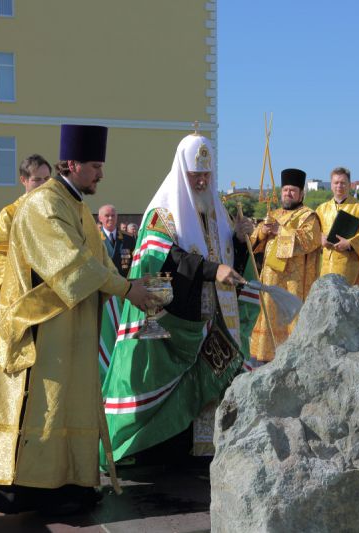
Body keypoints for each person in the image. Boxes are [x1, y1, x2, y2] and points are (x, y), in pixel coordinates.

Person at [0, 124, 155, 516]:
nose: (101, 174)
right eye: (95, 166)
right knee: (44, 404)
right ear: (72, 164)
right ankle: (31, 490)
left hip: (72, 324)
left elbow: (100, 262)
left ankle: (70, 481)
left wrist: (131, 285)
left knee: (69, 402)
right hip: (42, 326)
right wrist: (126, 290)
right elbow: (71, 265)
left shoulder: (75, 206)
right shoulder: (44, 204)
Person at [102, 132, 257, 463]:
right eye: (195, 175)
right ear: (182, 172)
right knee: (169, 386)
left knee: (207, 384)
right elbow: (167, 259)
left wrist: (240, 240)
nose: (202, 182)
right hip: (173, 318)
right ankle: (159, 451)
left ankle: (203, 447)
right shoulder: (162, 213)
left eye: (207, 175)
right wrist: (211, 270)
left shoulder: (216, 213)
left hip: (212, 318)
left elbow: (228, 262)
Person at [250, 168, 321, 362]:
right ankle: (264, 359)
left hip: (293, 283)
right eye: (285, 190)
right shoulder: (273, 214)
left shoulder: (308, 216)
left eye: (292, 190)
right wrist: (263, 232)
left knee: (292, 320)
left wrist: (280, 231)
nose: (288, 193)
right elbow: (254, 240)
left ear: (301, 194)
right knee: (268, 317)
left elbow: (309, 241)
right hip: (270, 280)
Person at [316, 166, 359, 285]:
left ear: (350, 185)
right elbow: (314, 231)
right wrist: (320, 238)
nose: (339, 186)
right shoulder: (321, 209)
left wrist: (350, 244)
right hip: (326, 266)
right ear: (331, 185)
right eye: (336, 183)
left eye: (343, 183)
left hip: (349, 267)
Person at [98, 203, 136, 277]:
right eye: (107, 216)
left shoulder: (128, 238)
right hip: (103, 281)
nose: (110, 218)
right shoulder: (95, 238)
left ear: (116, 217)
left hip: (124, 280)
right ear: (100, 218)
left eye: (113, 215)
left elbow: (134, 262)